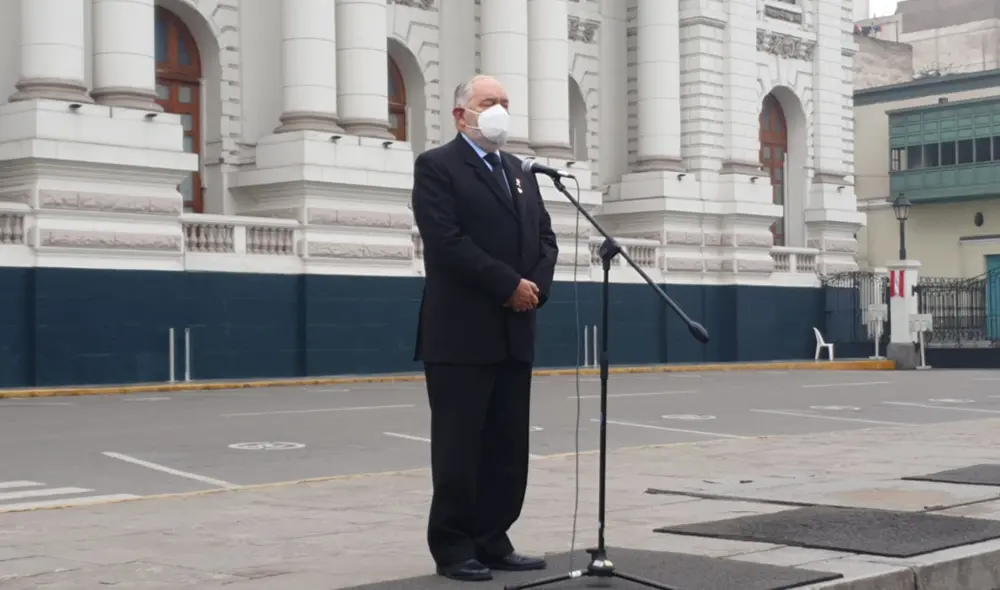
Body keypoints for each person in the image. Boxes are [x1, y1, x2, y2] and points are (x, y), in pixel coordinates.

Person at [410, 74, 559, 582]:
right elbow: (446, 243)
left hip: (516, 330)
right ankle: (453, 547)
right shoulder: (437, 166)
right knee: (459, 448)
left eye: (504, 102)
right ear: (461, 115)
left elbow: (545, 239)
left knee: (506, 447)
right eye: (487, 102)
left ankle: (494, 537)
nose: (498, 110)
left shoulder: (521, 171)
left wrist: (534, 289)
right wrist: (507, 286)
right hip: (460, 336)